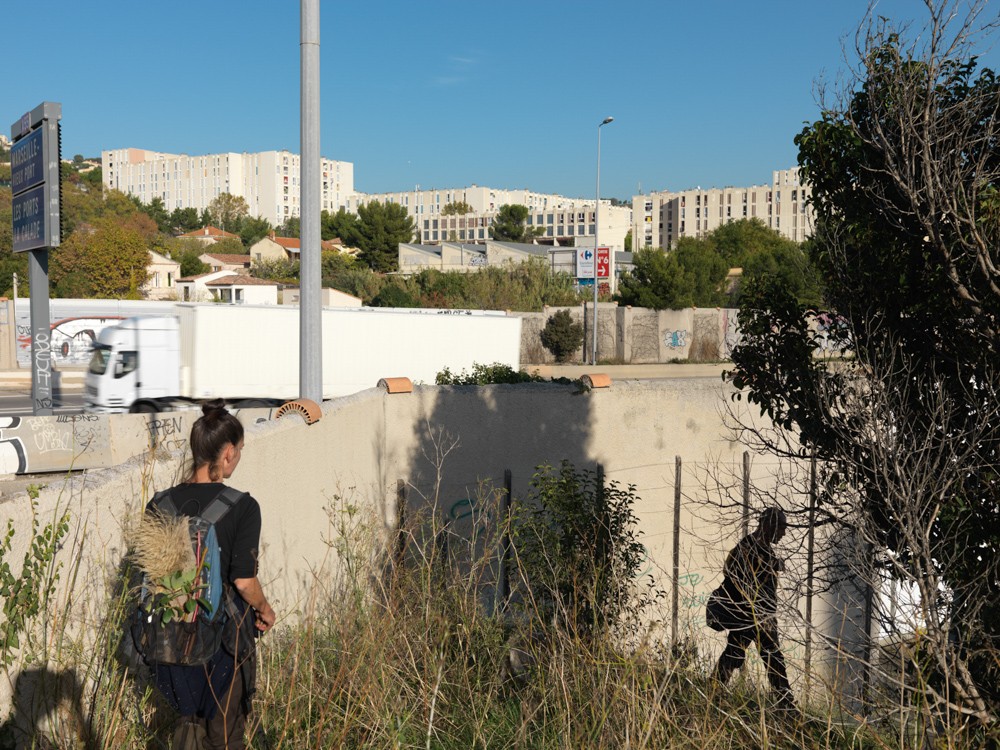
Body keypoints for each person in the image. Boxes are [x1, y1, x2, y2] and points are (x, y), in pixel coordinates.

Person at [149, 401, 276, 750]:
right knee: (224, 732)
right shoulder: (243, 506)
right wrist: (265, 610)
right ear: (229, 453)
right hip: (224, 641)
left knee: (190, 726)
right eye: (241, 451)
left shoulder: (160, 504)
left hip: (172, 639)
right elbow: (244, 581)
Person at [713, 506, 795, 709]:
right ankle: (785, 704)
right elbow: (732, 574)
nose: (784, 533)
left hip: (761, 614)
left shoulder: (764, 549)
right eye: (781, 528)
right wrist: (769, 565)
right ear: (769, 525)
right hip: (752, 615)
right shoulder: (747, 547)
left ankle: (713, 689)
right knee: (766, 656)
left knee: (742, 653)